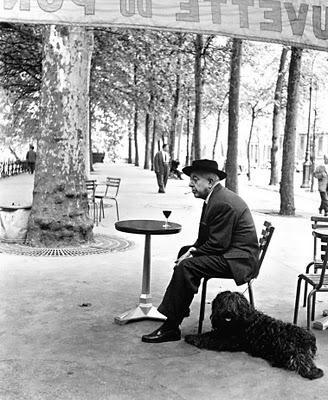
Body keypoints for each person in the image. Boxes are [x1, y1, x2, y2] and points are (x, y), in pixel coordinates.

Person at [142, 159, 260, 343]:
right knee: (185, 253)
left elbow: (217, 244)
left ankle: (171, 325)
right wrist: (191, 250)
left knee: (187, 267)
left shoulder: (222, 202)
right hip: (232, 253)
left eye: (195, 179)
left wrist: (194, 253)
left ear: (211, 182)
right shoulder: (215, 198)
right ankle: (179, 306)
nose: (190, 183)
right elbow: (208, 238)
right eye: (191, 179)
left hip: (238, 260)